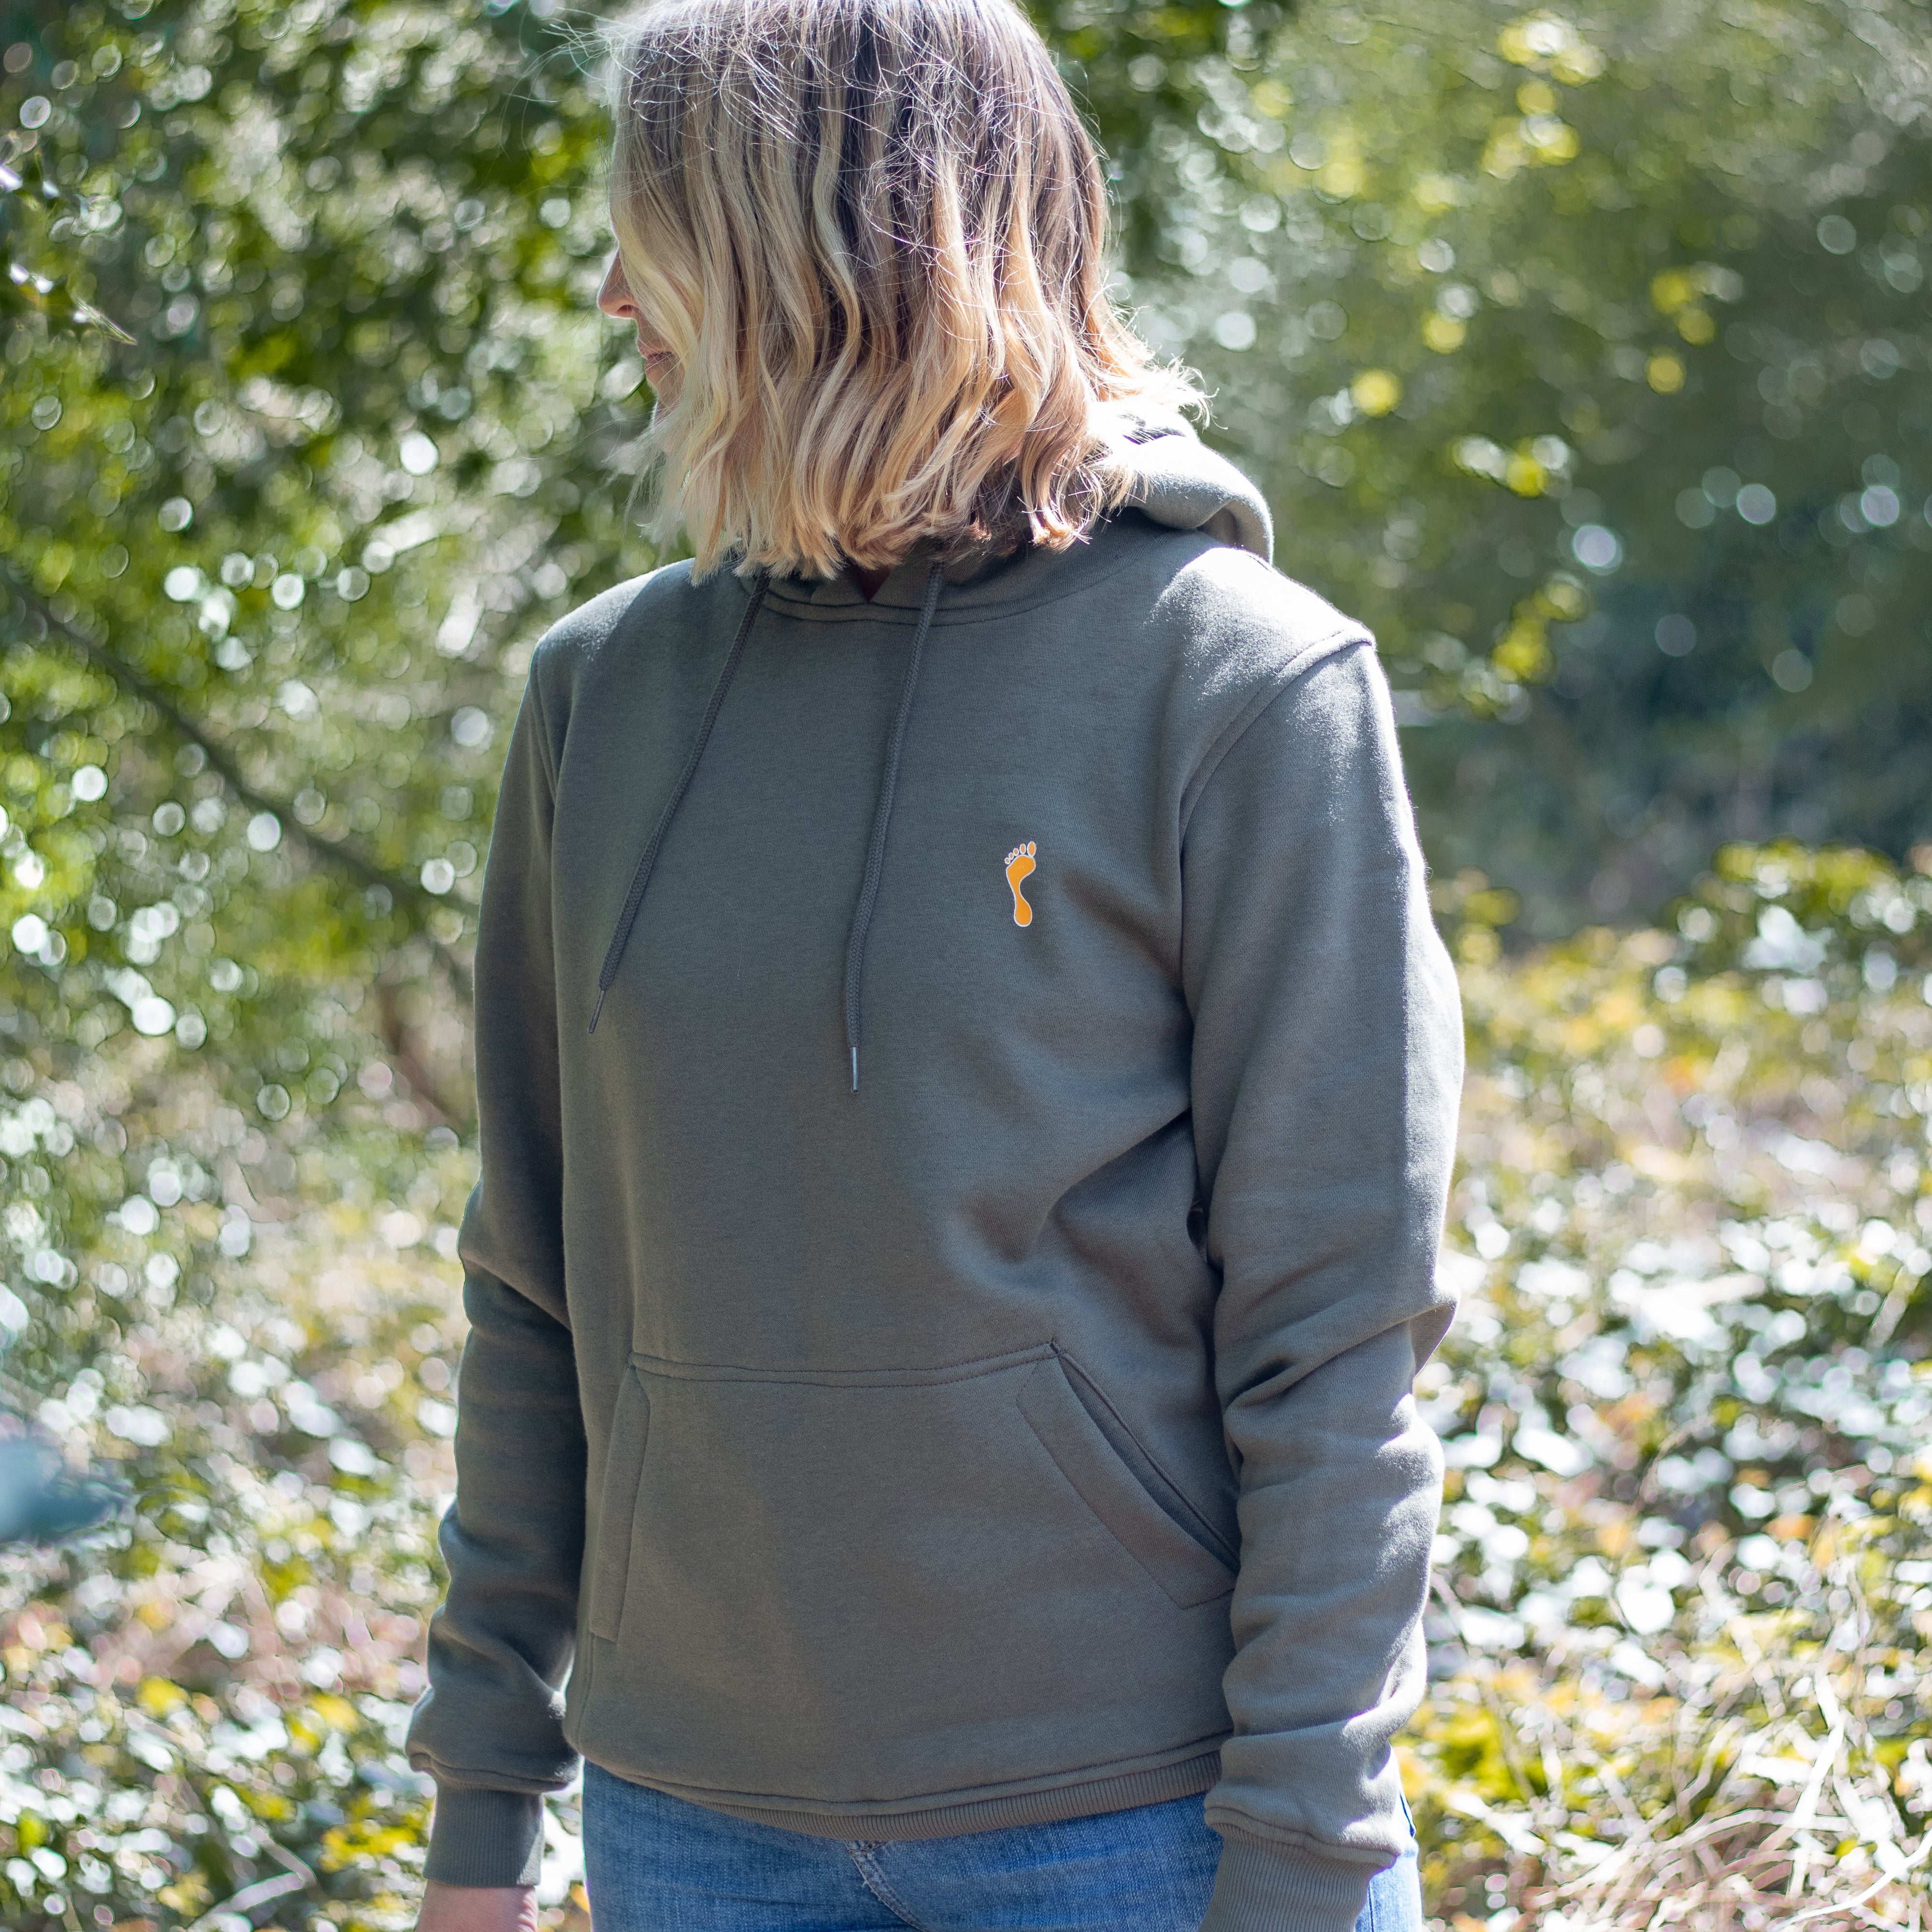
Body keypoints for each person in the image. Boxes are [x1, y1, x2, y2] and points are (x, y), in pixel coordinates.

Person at [405, 1, 1463, 1928]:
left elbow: (1339, 1326)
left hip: (1140, 1828)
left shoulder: (1239, 681)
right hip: (692, 1829)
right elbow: (532, 1285)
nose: (615, 293)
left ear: (819, 251)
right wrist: (483, 1805)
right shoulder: (601, 700)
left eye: (655, 229)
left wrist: (1309, 1850)